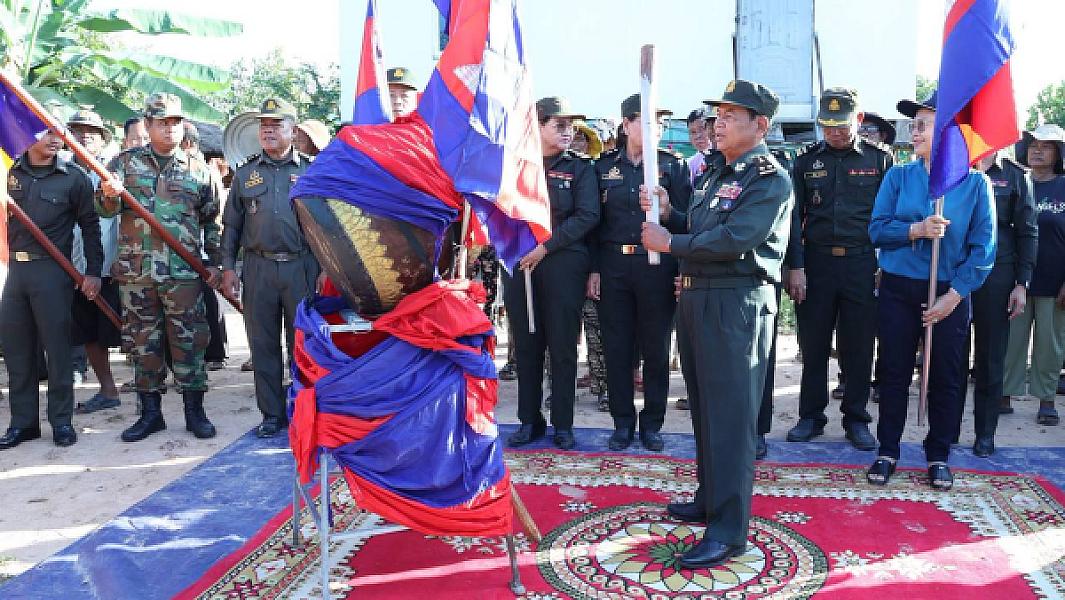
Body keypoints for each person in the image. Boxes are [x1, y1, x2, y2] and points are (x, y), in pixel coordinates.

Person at [641, 79, 791, 568]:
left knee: (730, 417)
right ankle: (710, 498)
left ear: (760, 125)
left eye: (730, 116)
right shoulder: (714, 172)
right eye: (717, 116)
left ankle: (729, 530)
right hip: (698, 298)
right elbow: (702, 227)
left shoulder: (769, 178)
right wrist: (671, 214)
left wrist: (670, 243)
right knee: (706, 409)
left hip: (736, 303)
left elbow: (736, 239)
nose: (717, 124)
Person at [865, 92, 995, 490]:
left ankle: (939, 454)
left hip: (950, 291)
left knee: (946, 375)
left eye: (923, 125)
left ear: (948, 132)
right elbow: (876, 230)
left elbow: (984, 248)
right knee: (893, 370)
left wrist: (953, 297)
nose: (914, 131)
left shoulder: (975, 183)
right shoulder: (898, 177)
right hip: (899, 288)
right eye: (914, 124)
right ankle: (888, 450)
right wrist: (915, 230)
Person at [99, 92, 223, 443]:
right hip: (137, 274)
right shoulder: (124, 164)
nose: (170, 129)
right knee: (142, 342)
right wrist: (109, 194)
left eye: (175, 122)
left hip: (183, 274)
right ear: (148, 125)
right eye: (162, 123)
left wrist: (214, 263)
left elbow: (212, 222)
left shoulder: (198, 169)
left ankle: (195, 412)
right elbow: (104, 210)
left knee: (189, 341)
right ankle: (150, 414)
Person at [784, 88, 894, 450]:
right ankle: (810, 416)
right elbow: (793, 218)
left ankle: (856, 419)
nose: (834, 132)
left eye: (841, 125)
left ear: (858, 120)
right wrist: (796, 266)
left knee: (859, 346)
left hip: (863, 263)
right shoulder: (805, 161)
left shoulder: (881, 160)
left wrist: (884, 264)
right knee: (813, 344)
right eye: (827, 125)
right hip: (816, 263)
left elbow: (890, 216)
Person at [591, 93, 691, 451]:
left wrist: (681, 268)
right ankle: (622, 422)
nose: (656, 129)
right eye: (648, 122)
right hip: (614, 266)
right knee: (616, 347)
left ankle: (652, 424)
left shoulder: (673, 167)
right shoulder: (602, 167)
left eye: (661, 123)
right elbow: (594, 225)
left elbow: (687, 223)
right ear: (626, 125)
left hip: (657, 267)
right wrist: (594, 270)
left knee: (656, 347)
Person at [504, 97, 599, 450]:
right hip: (521, 263)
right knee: (526, 345)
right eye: (559, 125)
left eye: (570, 125)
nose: (567, 132)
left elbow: (588, 215)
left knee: (562, 345)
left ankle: (563, 423)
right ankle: (529, 420)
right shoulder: (516, 164)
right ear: (538, 125)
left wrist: (545, 247)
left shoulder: (579, 168)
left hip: (563, 262)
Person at [222, 98, 319, 438]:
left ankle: (302, 411)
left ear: (293, 130)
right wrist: (228, 268)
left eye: (276, 124)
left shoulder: (310, 171)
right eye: (264, 125)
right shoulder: (245, 174)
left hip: (301, 267)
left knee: (302, 344)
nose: (268, 130)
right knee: (262, 344)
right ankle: (272, 415)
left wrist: (325, 269)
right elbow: (231, 226)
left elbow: (327, 225)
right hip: (258, 268)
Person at [1, 127, 102, 449]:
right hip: (14, 271)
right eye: (46, 132)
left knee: (58, 352)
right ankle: (23, 423)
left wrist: (94, 272)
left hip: (52, 271)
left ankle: (61, 422)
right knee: (17, 352)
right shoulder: (8, 171)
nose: (55, 139)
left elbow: (90, 227)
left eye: (59, 133)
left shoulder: (73, 178)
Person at [968, 151, 1036, 456]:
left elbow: (1028, 231)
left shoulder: (1015, 175)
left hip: (997, 274)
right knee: (951, 358)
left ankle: (985, 433)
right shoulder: (952, 164)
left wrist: (1022, 283)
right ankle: (947, 429)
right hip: (954, 269)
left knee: (990, 358)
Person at [1003, 125, 1065, 426]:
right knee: (1010, 340)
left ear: (1059, 153)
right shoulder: (1015, 182)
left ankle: (1046, 399)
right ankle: (1004, 394)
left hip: (1055, 282)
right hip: (1016, 281)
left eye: (1047, 146)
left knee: (1049, 344)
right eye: (1033, 145)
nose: (1037, 150)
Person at [66, 108, 124, 414]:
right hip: (75, 265)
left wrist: (120, 258)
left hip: (114, 265)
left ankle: (154, 391)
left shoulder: (114, 172)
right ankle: (107, 389)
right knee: (88, 330)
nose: (85, 136)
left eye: (91, 132)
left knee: (129, 328)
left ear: (102, 140)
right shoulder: (61, 172)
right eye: (78, 131)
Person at [686, 108, 715, 185]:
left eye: (702, 129)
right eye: (693, 132)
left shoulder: (725, 158)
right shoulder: (689, 164)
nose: (698, 136)